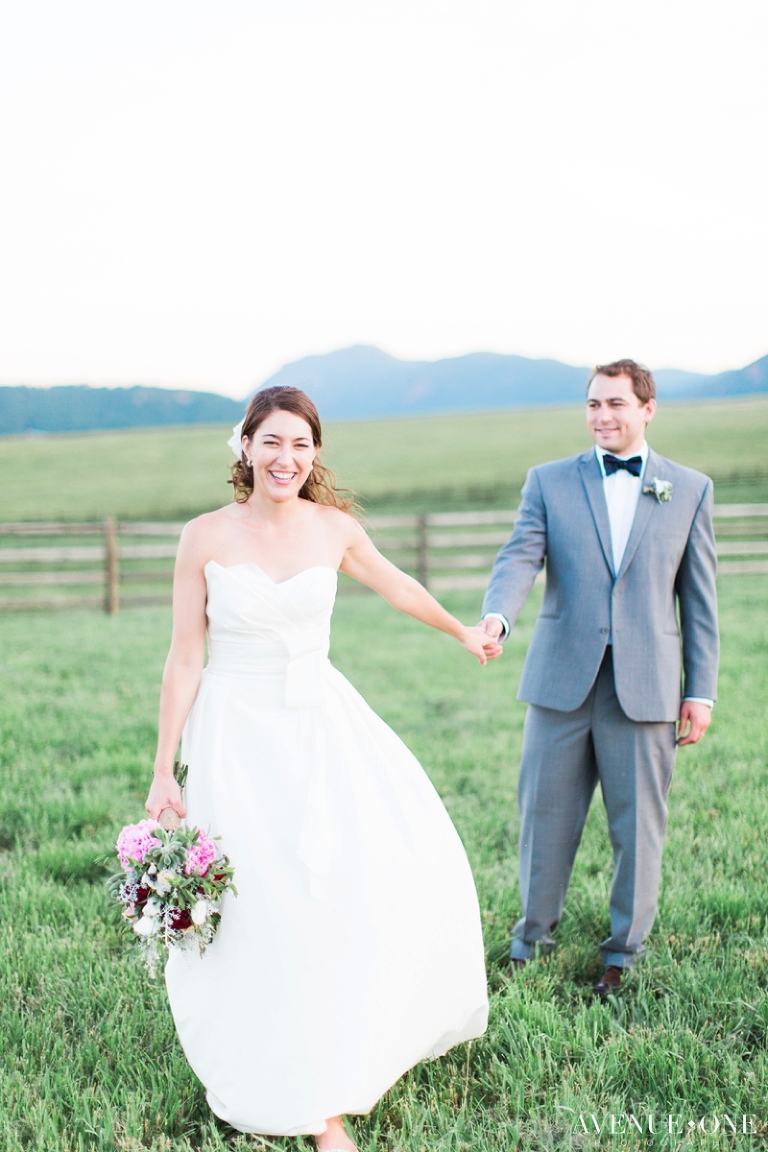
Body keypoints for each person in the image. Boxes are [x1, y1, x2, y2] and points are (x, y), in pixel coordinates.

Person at [145, 386, 493, 1148]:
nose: (287, 458)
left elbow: (398, 585)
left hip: (320, 727)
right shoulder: (203, 536)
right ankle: (307, 1103)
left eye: (301, 444)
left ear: (316, 453)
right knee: (256, 898)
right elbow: (185, 654)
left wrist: (460, 631)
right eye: (271, 441)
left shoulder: (334, 529)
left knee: (345, 881)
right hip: (234, 734)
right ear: (245, 447)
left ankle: (339, 1046)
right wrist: (163, 769)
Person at [477, 359, 719, 995]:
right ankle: (530, 938)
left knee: (638, 827)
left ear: (647, 408)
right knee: (543, 817)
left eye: (615, 403)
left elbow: (699, 601)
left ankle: (623, 952)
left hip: (646, 687)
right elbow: (519, 557)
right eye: (592, 405)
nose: (602, 416)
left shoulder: (689, 488)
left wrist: (700, 690)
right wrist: (498, 617)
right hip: (560, 681)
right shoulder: (549, 482)